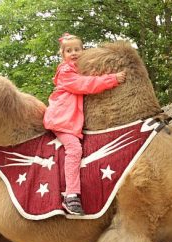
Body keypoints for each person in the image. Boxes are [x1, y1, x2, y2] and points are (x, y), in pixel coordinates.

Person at [43, 33, 127, 215]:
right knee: (74, 149)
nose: (73, 53)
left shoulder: (78, 69)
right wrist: (112, 79)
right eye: (68, 50)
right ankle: (71, 196)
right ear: (62, 54)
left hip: (70, 121)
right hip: (61, 120)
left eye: (77, 49)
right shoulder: (66, 72)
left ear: (83, 50)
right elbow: (84, 84)